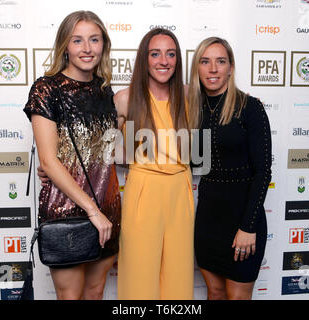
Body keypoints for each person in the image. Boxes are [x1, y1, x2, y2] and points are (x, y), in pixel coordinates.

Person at [23, 10, 121, 300]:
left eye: (94, 39)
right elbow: (49, 161)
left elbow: (102, 153)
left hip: (108, 209)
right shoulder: (47, 88)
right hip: (70, 212)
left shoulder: (105, 91)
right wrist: (92, 211)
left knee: (95, 292)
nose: (87, 48)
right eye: (77, 40)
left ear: (104, 44)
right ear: (65, 45)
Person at [188, 37, 272, 300]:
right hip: (208, 219)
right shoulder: (194, 110)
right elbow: (196, 164)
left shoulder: (250, 108)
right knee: (214, 292)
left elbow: (263, 172)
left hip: (242, 218)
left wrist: (248, 227)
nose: (213, 68)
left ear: (231, 67)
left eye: (220, 61)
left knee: (237, 294)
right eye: (205, 61)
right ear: (197, 69)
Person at [114, 28, 194, 300]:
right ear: (144, 59)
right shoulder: (125, 98)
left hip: (180, 194)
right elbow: (103, 150)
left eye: (170, 54)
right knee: (139, 277)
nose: (164, 61)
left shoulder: (189, 96)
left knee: (178, 278)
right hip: (143, 192)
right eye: (155, 54)